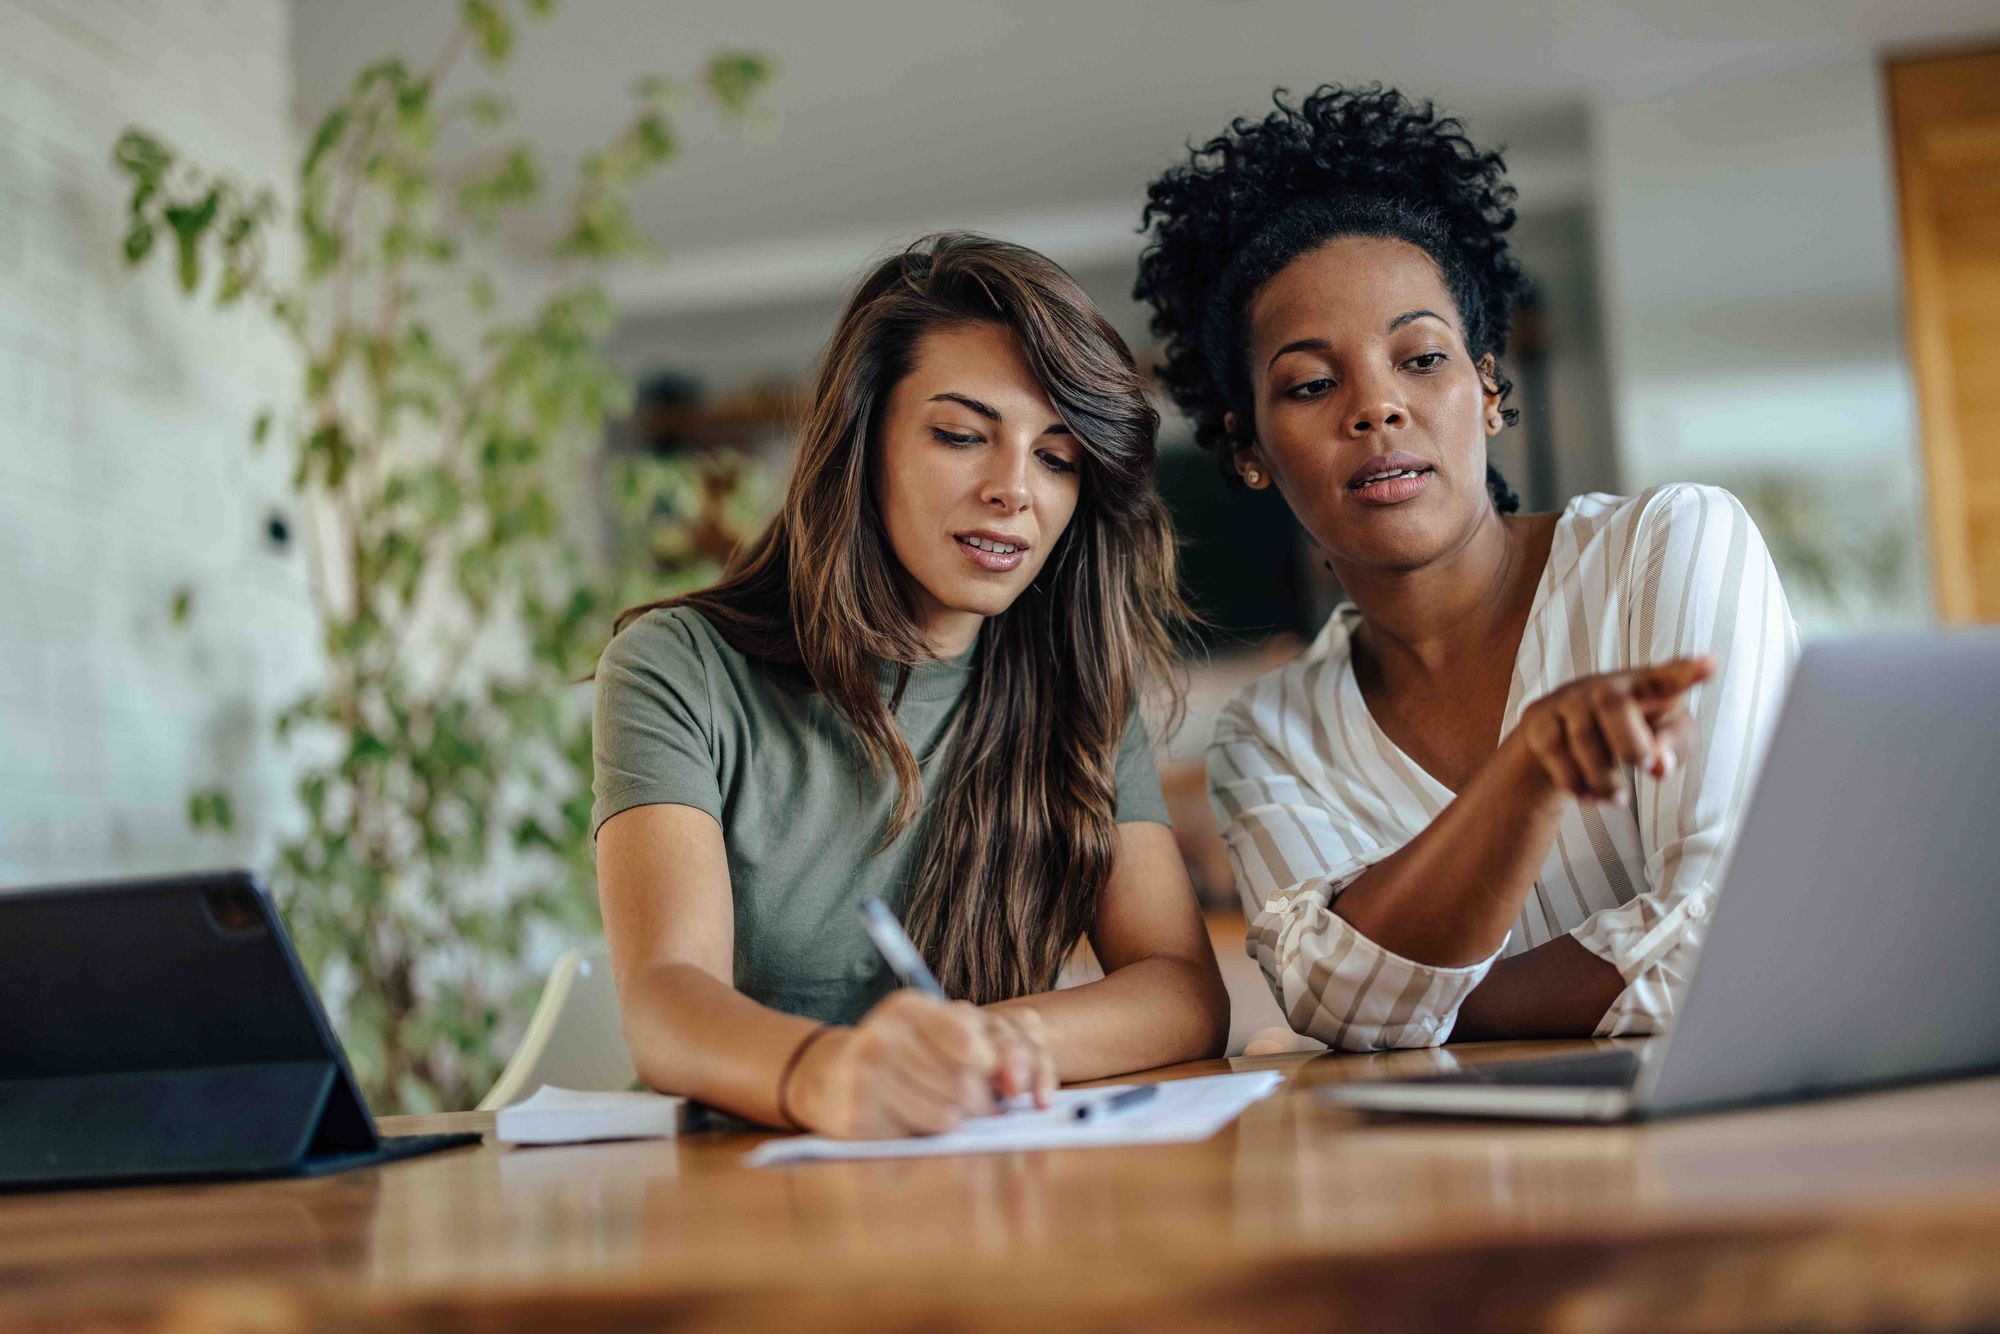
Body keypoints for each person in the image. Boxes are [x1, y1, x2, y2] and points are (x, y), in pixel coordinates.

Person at [1133, 87, 1798, 1050]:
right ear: (1247, 448)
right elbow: (1332, 1000)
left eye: (1422, 358)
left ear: (1487, 389)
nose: (1377, 407)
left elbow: (1739, 927)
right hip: (1454, 1183)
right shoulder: (1270, 737)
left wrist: (1433, 1013)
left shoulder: (1668, 551)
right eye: (1313, 383)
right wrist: (1521, 777)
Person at [593, 233, 1230, 1136]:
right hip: (738, 1190)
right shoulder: (679, 667)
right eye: (963, 436)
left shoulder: (1079, 687)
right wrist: (834, 1074)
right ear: (863, 443)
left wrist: (967, 1046)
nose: (1016, 490)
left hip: (974, 1173)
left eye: (1057, 456)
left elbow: (1183, 992)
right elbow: (665, 1000)